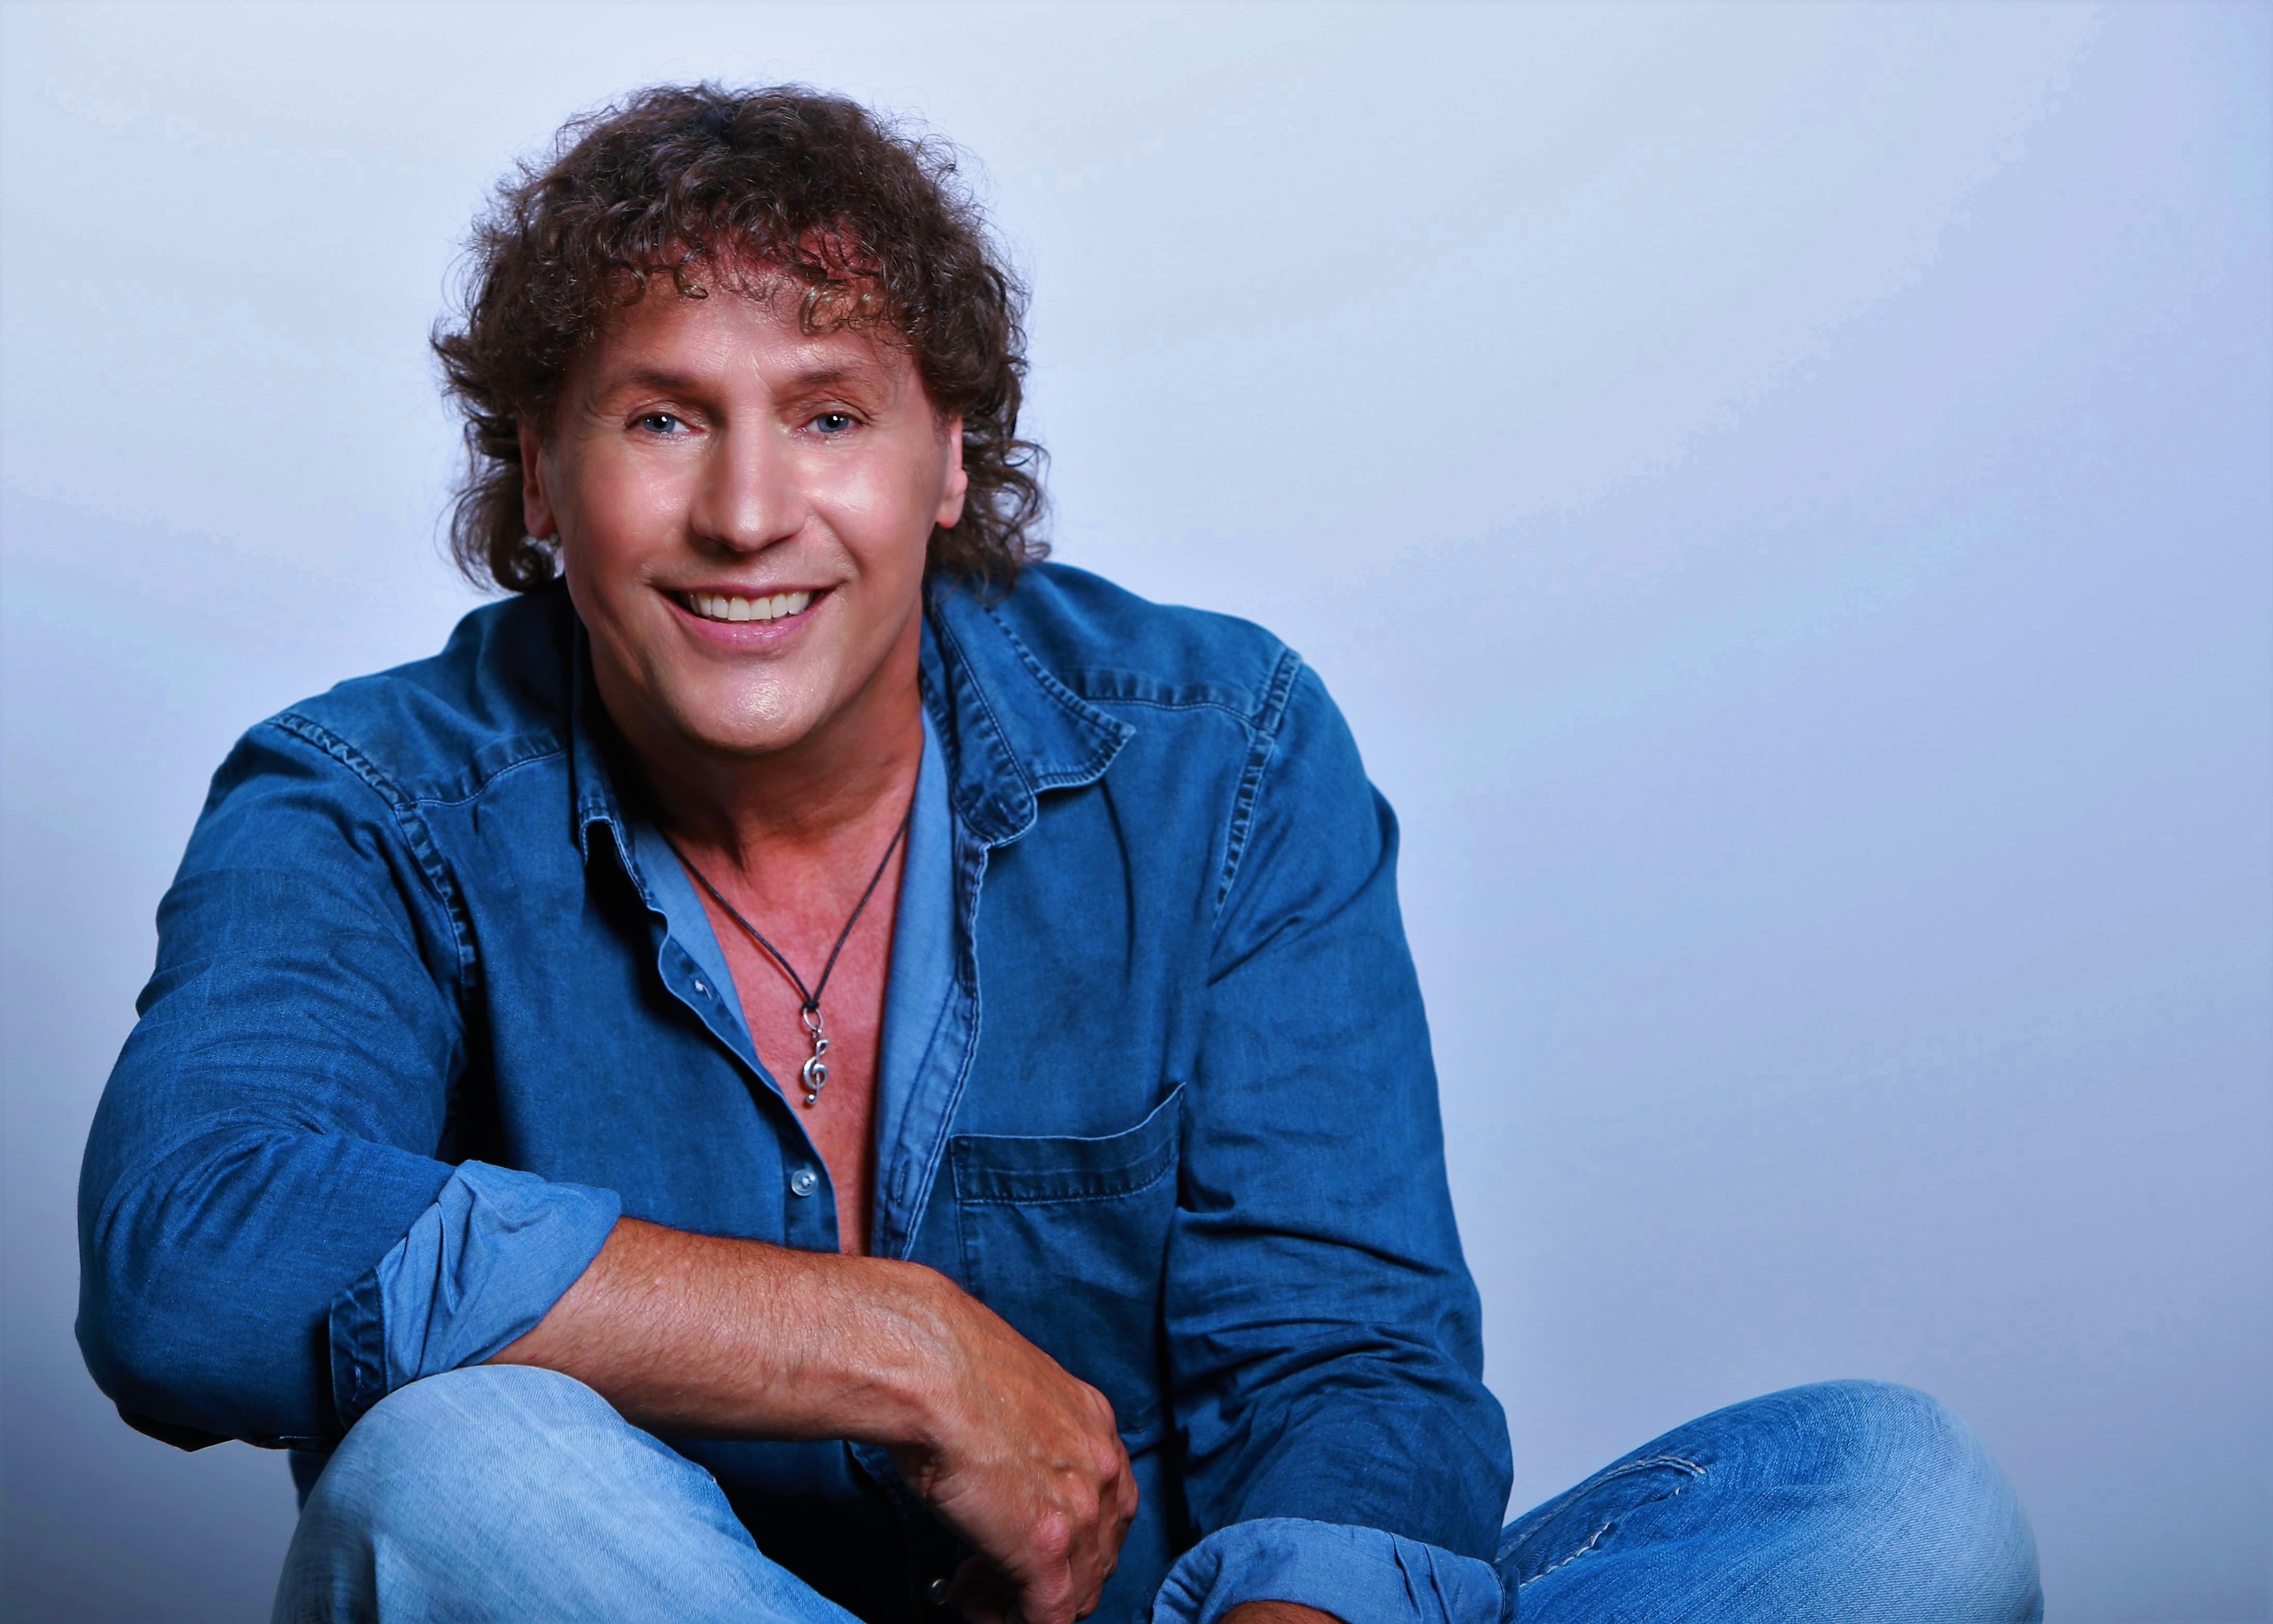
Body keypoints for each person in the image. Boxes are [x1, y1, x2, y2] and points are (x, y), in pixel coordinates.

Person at [76, 85, 2043, 1624]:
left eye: (828, 415)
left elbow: (1350, 1369)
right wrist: (895, 1346)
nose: (749, 510)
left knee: (1893, 1506)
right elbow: (194, 1247)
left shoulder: (1219, 750)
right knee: (455, 1482)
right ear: (539, 475)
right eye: (663, 420)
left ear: (949, 458)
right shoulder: (371, 796)